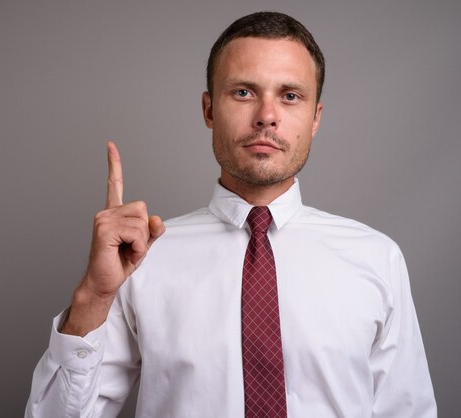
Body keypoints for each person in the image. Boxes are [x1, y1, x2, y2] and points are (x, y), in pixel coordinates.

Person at [25, 11, 436, 418]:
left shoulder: (377, 258)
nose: (266, 116)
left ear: (315, 119)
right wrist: (94, 298)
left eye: (290, 96)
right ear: (208, 110)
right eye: (243, 92)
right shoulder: (142, 259)